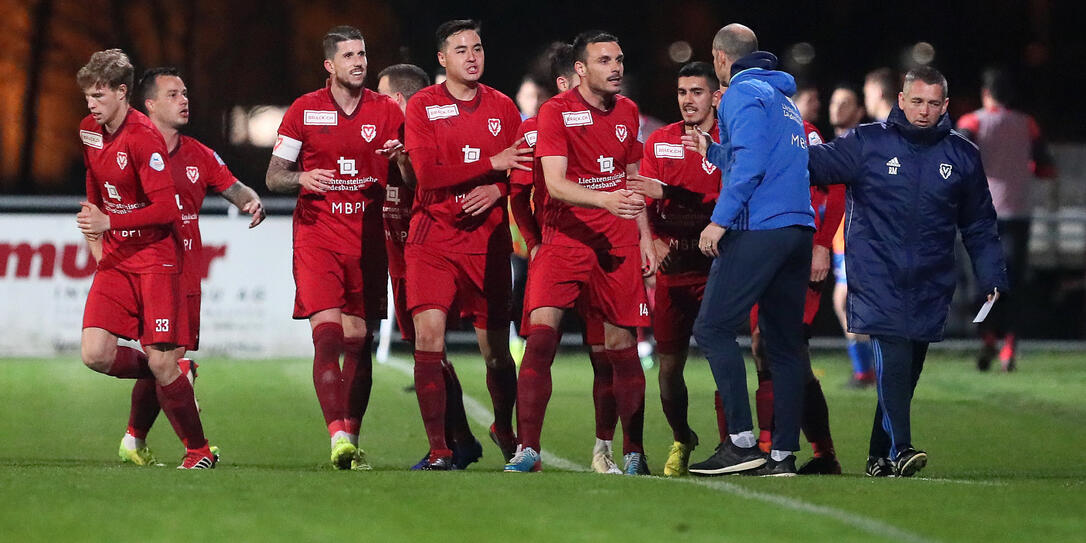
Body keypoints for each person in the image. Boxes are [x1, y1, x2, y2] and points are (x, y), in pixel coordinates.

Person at [808, 66, 1007, 477]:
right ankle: (902, 449)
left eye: (933, 103)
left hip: (930, 280)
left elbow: (980, 224)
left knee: (905, 373)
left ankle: (877, 455)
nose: (924, 111)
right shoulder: (867, 142)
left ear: (945, 106)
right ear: (901, 100)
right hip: (877, 275)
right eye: (916, 101)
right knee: (894, 359)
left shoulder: (962, 156)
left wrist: (992, 275)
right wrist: (769, 138)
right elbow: (811, 165)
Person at [506, 30, 658, 475]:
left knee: (620, 349)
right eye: (605, 60)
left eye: (619, 58)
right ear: (580, 69)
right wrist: (603, 200)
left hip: (617, 242)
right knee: (540, 340)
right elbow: (553, 183)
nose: (616, 67)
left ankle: (629, 452)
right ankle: (527, 450)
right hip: (565, 240)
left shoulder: (628, 112)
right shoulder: (554, 113)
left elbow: (631, 177)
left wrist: (645, 236)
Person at [266, 26, 404, 470]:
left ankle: (352, 436)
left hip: (366, 238)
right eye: (349, 56)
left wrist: (402, 157)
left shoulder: (387, 111)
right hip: (317, 237)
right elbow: (274, 176)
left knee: (359, 341)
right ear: (330, 65)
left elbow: (413, 174)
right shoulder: (304, 111)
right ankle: (338, 437)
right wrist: (302, 178)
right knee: (327, 336)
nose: (359, 62)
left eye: (362, 53)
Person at [681, 23, 815, 477]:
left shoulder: (738, 93)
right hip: (797, 228)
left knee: (713, 327)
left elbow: (753, 166)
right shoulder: (782, 98)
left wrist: (719, 222)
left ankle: (740, 443)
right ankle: (782, 456)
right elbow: (768, 158)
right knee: (784, 344)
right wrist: (714, 152)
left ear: (720, 58)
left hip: (761, 227)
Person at [116, 67, 265, 465]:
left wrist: (250, 201)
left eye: (185, 93)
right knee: (165, 361)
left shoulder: (199, 153)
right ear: (148, 105)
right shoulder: (126, 151)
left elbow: (234, 187)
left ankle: (134, 438)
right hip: (142, 266)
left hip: (182, 270)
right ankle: (194, 450)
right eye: (173, 94)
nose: (184, 100)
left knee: (165, 359)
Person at [76, 49, 217, 469]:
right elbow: (94, 178)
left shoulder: (143, 138)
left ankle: (199, 450)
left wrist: (109, 223)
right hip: (119, 258)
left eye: (99, 95)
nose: (91, 104)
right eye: (87, 96)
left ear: (123, 93)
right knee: (95, 354)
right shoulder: (89, 129)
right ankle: (174, 372)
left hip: (156, 257)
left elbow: (166, 210)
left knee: (159, 359)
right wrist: (94, 227)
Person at [403, 19, 527, 470]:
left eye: (477, 47)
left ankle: (503, 427)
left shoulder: (503, 108)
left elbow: (525, 171)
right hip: (432, 242)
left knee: (496, 355)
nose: (471, 56)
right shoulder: (422, 106)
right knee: (429, 340)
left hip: (487, 245)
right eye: (460, 50)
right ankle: (440, 448)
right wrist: (493, 164)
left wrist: (498, 190)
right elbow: (427, 175)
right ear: (442, 59)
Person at [377, 63, 482, 470]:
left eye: (382, 95)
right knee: (430, 353)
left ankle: (461, 444)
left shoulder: (431, 135)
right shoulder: (382, 140)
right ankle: (461, 440)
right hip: (401, 259)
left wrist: (403, 164)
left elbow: (425, 182)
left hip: (434, 255)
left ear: (399, 101)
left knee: (433, 348)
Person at [625, 61, 721, 476]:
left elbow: (723, 200)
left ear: (716, 96)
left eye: (697, 92)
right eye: (682, 92)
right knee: (667, 370)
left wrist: (668, 192)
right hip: (673, 267)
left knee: (725, 359)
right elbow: (643, 200)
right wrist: (649, 241)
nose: (688, 100)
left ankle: (736, 445)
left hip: (718, 266)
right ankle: (682, 438)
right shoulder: (660, 141)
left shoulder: (727, 142)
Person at [735, 119, 845, 475]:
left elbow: (839, 185)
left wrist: (823, 244)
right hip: (757, 251)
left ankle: (772, 450)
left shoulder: (803, 131)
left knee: (779, 346)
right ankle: (820, 453)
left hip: (797, 252)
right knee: (774, 352)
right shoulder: (742, 128)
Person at [957, 67, 1056, 371]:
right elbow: (1046, 168)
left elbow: (957, 163)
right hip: (1018, 214)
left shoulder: (971, 123)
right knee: (1013, 283)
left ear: (985, 94)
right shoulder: (1028, 125)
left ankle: (986, 335)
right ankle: (1010, 345)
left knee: (979, 285)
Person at [828, 83, 875, 387]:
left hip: (857, 237)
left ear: (859, 111)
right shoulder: (835, 143)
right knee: (846, 302)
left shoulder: (860, 143)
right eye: (834, 101)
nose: (836, 107)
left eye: (845, 102)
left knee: (846, 301)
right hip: (838, 238)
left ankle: (866, 370)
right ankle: (866, 370)